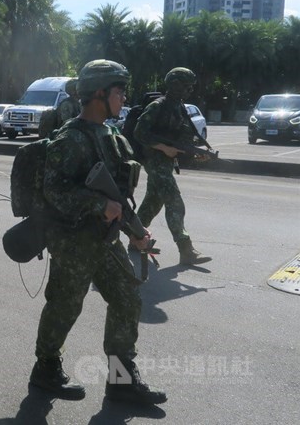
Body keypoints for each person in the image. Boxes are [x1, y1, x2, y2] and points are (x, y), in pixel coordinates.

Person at [30, 59, 166, 405]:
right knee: (65, 306)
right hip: (73, 242)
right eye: (119, 92)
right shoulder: (69, 139)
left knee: (127, 299)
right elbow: (54, 191)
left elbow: (118, 195)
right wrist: (97, 205)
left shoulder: (112, 136)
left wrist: (135, 230)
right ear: (99, 94)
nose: (124, 98)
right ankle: (46, 369)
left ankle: (121, 381)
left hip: (106, 240)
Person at [134, 67, 212, 266]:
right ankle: (186, 249)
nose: (189, 90)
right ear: (176, 85)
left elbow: (184, 140)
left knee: (153, 202)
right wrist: (163, 147)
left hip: (166, 163)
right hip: (154, 161)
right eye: (187, 86)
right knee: (174, 202)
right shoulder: (157, 106)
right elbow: (139, 132)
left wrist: (196, 154)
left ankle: (135, 238)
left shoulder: (180, 108)